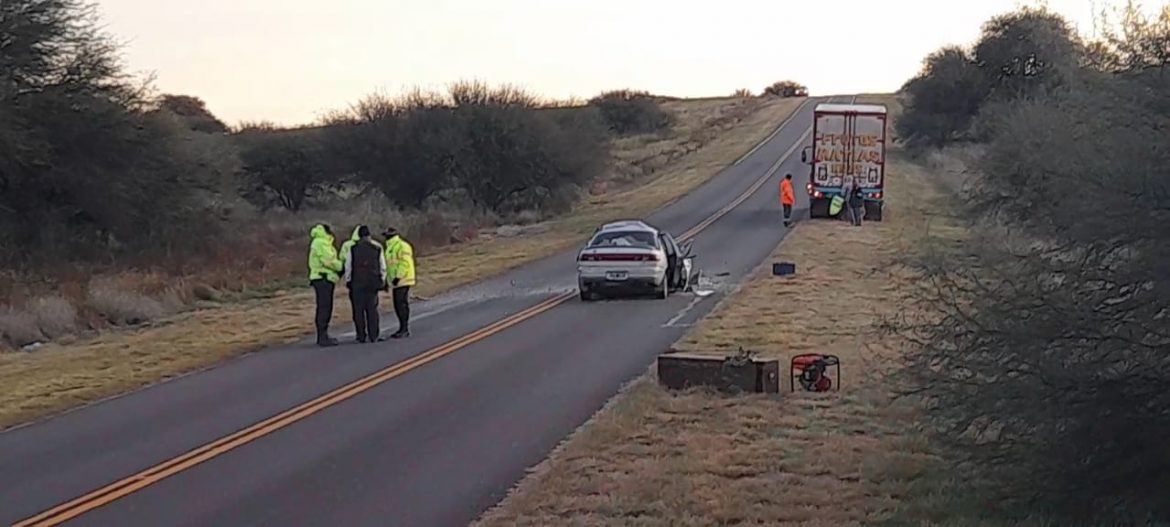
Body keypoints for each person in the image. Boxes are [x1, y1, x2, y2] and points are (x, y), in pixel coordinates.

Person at [343, 226, 387, 343]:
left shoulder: (353, 249)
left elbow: (348, 266)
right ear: (369, 235)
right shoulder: (377, 248)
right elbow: (382, 266)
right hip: (372, 283)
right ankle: (374, 335)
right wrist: (382, 279)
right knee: (372, 310)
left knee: (358, 311)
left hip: (357, 283)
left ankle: (361, 335)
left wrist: (348, 280)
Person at [307, 223, 344, 347]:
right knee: (324, 307)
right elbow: (329, 261)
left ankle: (323, 335)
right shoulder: (321, 243)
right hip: (323, 279)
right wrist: (341, 267)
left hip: (323, 278)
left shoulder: (319, 242)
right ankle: (322, 336)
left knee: (324, 306)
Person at [383, 227, 416, 338]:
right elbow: (389, 266)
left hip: (403, 280)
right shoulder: (389, 247)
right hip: (395, 282)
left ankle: (404, 328)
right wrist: (387, 281)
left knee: (401, 304)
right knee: (397, 305)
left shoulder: (402, 246)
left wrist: (398, 277)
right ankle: (402, 328)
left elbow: (404, 263)